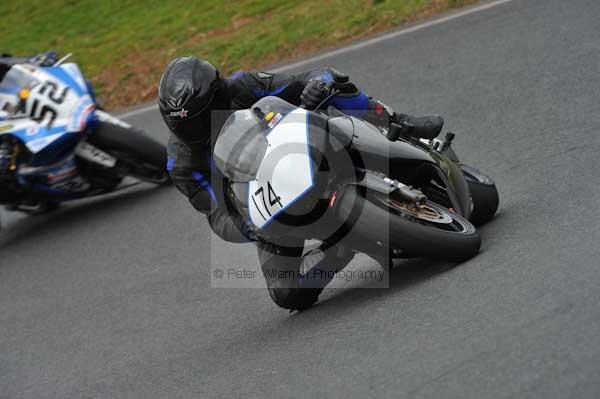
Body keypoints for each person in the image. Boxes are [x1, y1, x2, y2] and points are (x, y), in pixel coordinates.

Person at [158, 56, 443, 310]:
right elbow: (218, 215)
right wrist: (249, 227)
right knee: (287, 293)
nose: (190, 132)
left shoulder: (243, 86)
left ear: (219, 97)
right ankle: (342, 247)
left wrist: (316, 84)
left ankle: (397, 122)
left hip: (308, 147)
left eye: (196, 121)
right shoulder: (181, 165)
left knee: (334, 83)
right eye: (180, 126)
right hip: (268, 205)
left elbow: (306, 78)